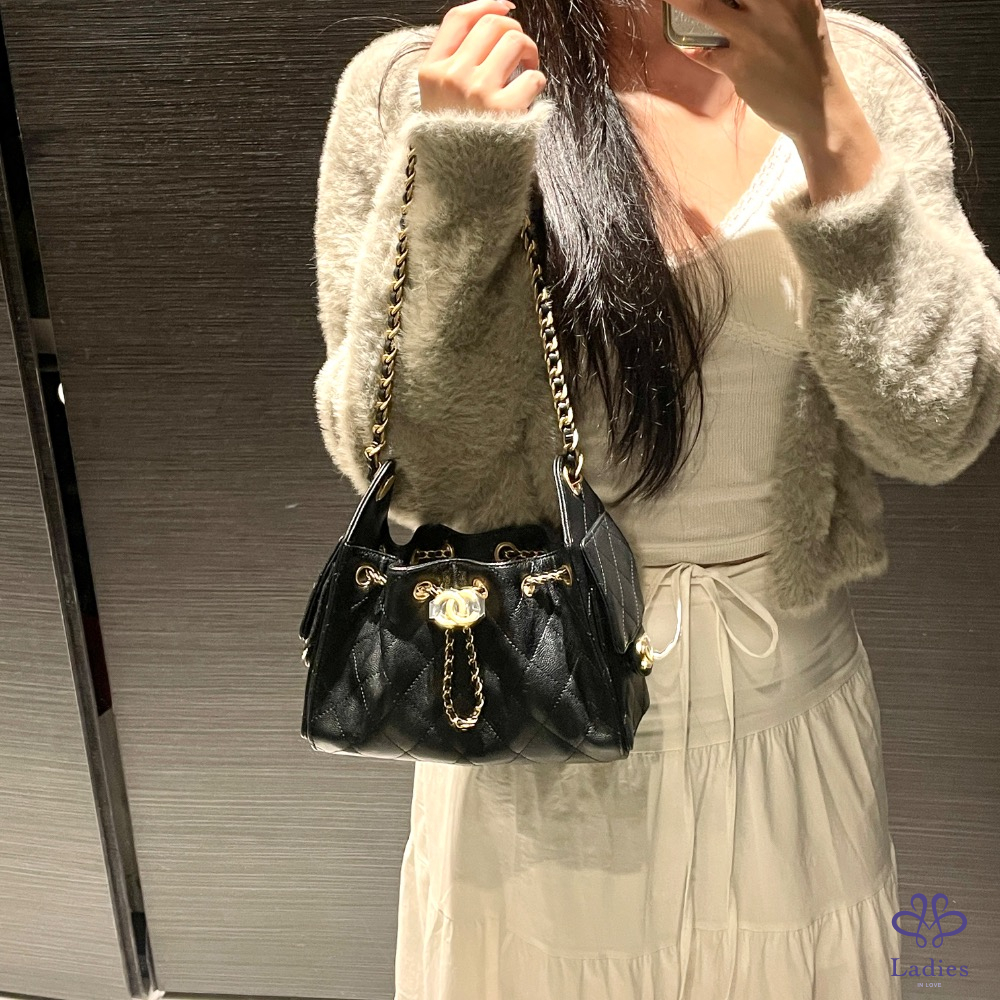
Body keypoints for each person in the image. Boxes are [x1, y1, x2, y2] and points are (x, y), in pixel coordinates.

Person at [311, 1, 1000, 996]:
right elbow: (418, 478)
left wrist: (829, 133)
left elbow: (937, 424)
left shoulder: (856, 74)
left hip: (791, 739)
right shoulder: (431, 86)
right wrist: (463, 172)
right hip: (537, 730)